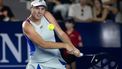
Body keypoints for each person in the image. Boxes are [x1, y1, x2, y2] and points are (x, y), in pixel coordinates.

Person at [22, 0, 81, 69]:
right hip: (38, 64)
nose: (39, 12)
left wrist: (73, 48)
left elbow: (60, 33)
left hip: (55, 59)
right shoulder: (27, 25)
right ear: (31, 8)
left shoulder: (47, 15)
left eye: (42, 9)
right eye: (37, 8)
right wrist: (65, 45)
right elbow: (43, 44)